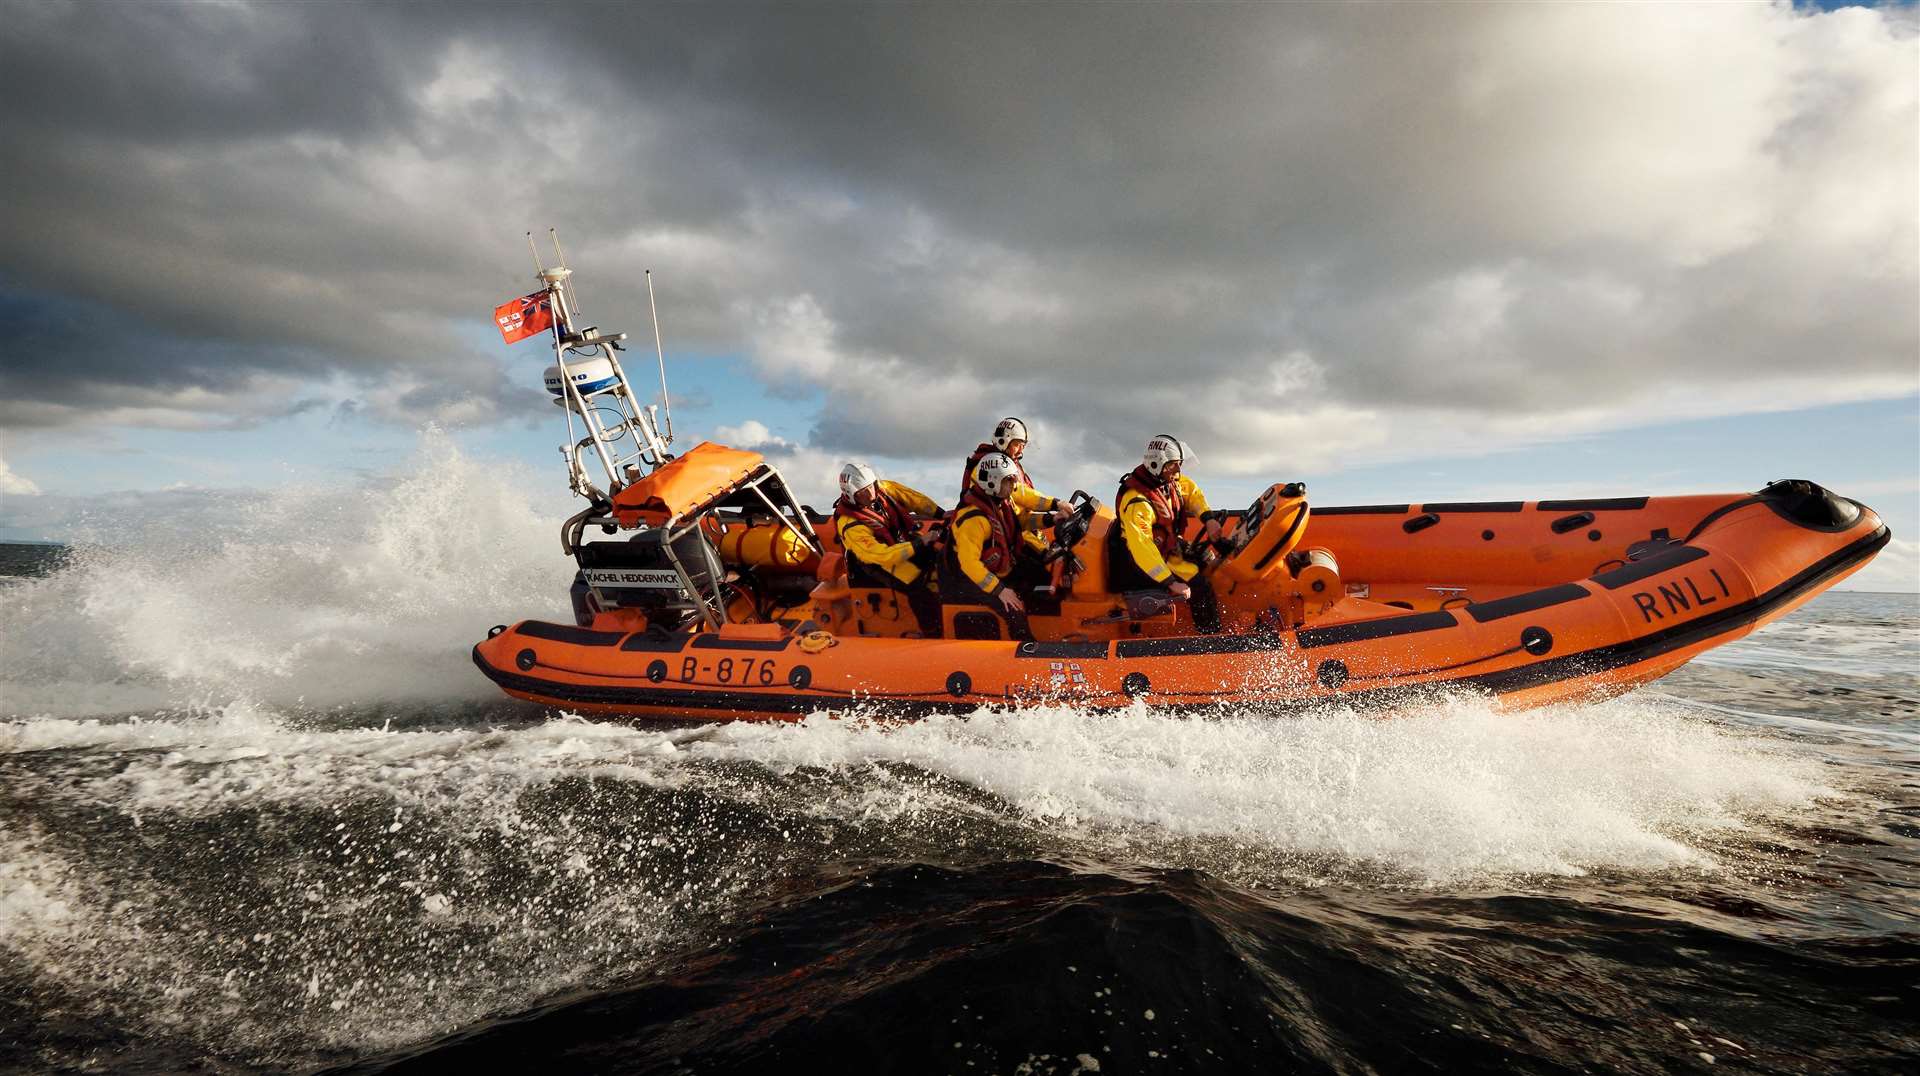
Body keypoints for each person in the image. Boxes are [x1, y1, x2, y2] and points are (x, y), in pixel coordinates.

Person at [1107, 435, 1225, 633]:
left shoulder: (1166, 480)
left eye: (1179, 464)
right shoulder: (1138, 502)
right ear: (1156, 464)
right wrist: (1170, 582)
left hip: (1166, 548)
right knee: (1199, 585)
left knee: (1207, 558)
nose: (1178, 470)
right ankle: (1210, 637)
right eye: (1173, 465)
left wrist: (1208, 518)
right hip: (1141, 562)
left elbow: (1191, 492)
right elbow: (1142, 547)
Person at [942, 451, 1054, 641]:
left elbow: (1020, 522)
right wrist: (1000, 590)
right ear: (992, 482)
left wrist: (1052, 518)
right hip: (967, 576)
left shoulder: (1001, 503)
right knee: (1013, 608)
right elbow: (969, 564)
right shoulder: (973, 520)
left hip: (995, 564)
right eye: (1008, 481)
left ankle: (1050, 626)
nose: (1014, 486)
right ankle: (1025, 649)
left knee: (1040, 573)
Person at [831, 462, 946, 637]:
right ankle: (933, 631)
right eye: (863, 492)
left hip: (901, 542)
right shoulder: (849, 523)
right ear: (851, 495)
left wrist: (940, 514)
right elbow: (881, 555)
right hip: (877, 563)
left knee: (939, 558)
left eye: (871, 487)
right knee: (916, 584)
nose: (870, 493)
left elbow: (912, 498)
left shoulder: (882, 489)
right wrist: (920, 543)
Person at [960, 417, 1073, 529]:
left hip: (1014, 532)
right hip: (1000, 534)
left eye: (1023, 446)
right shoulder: (990, 467)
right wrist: (1056, 504)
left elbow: (1020, 519)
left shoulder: (1010, 465)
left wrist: (1052, 518)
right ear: (1003, 441)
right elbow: (1020, 494)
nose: (1020, 451)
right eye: (1017, 445)